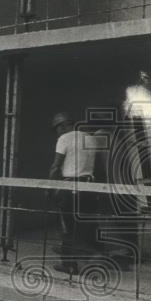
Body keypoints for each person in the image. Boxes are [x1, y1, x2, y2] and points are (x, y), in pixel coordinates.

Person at [49, 111, 97, 274]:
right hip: (89, 187)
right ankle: (77, 256)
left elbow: (56, 166)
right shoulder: (91, 138)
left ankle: (69, 264)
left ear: (62, 125)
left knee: (66, 226)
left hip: (70, 188)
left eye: (57, 128)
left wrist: (48, 187)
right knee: (81, 226)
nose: (57, 132)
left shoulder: (64, 138)